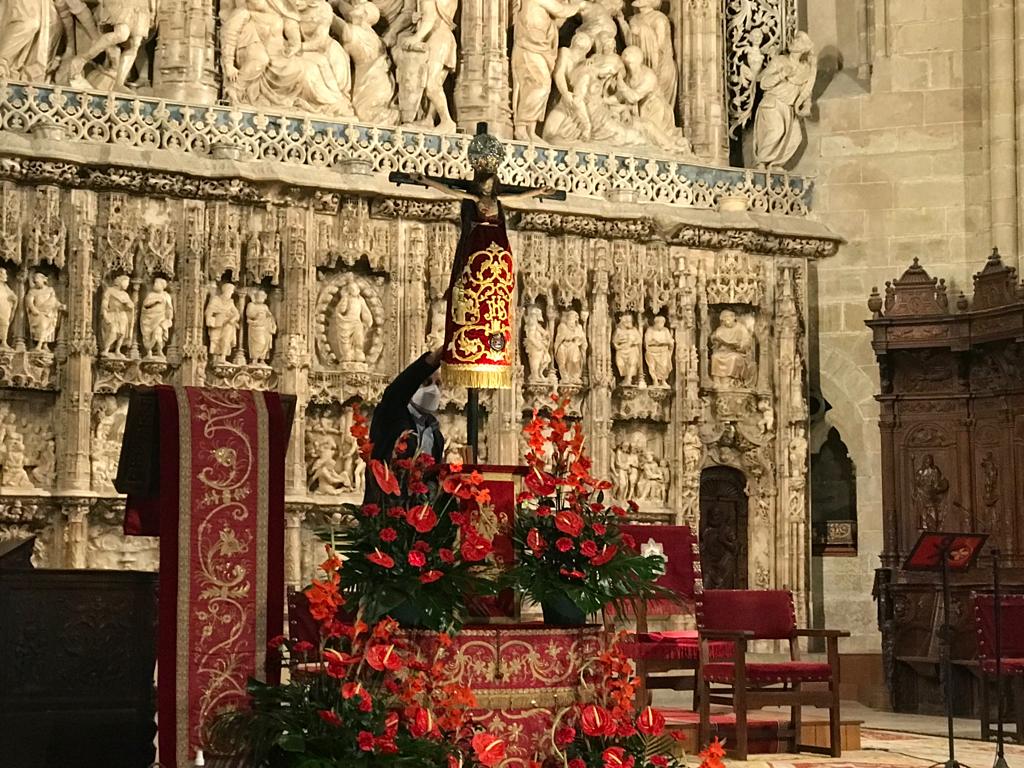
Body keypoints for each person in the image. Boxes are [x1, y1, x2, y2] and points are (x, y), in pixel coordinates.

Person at [365, 347, 446, 499]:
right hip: (386, 509)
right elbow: (397, 391)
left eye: (438, 383)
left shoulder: (436, 433)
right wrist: (432, 360)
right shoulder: (391, 416)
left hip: (418, 512)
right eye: (427, 382)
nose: (433, 389)